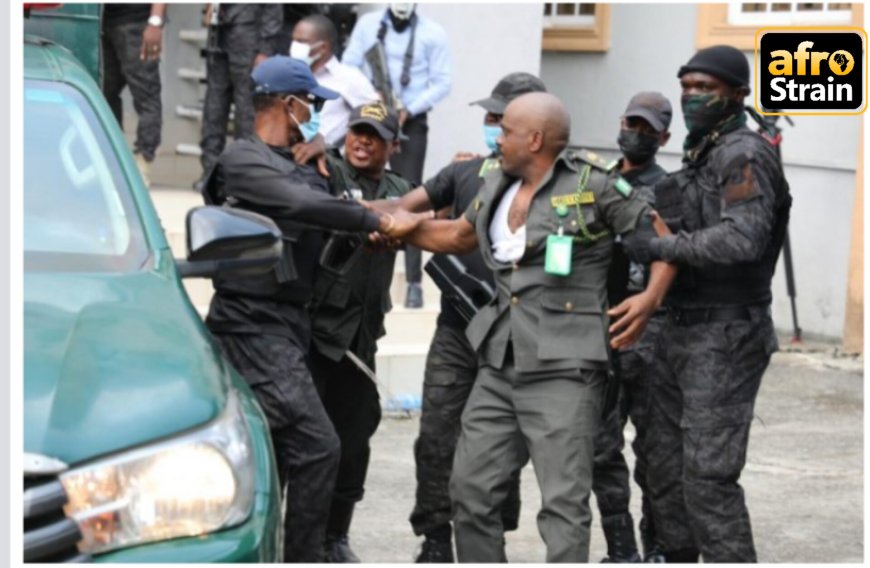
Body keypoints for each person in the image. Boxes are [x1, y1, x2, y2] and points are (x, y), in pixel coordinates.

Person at [378, 92, 677, 562]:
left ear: (535, 139)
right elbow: (457, 235)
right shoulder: (495, 183)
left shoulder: (593, 184)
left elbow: (661, 239)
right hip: (499, 361)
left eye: (508, 130)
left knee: (562, 504)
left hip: (565, 369)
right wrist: (403, 226)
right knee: (470, 489)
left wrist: (650, 298)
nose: (498, 137)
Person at [200, 56, 425, 562]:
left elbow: (330, 221)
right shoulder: (243, 159)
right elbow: (301, 207)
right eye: (313, 105)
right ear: (288, 102)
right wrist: (372, 218)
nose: (316, 115)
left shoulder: (306, 165)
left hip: (291, 323)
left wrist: (366, 229)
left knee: (279, 452)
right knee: (319, 447)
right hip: (249, 322)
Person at [378, 72, 548, 563]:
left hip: (513, 336)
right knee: (436, 437)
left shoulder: (554, 182)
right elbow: (402, 207)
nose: (492, 126)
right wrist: (361, 215)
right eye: (489, 117)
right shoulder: (464, 173)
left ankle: (488, 539)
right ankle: (434, 540)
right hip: (456, 330)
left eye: (501, 118)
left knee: (499, 447)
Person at [644, 45, 792, 563]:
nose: (691, 97)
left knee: (708, 479)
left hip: (727, 334)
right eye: (686, 87)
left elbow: (742, 239)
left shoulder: (742, 153)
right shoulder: (703, 148)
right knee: (661, 469)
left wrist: (663, 247)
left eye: (704, 89)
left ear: (737, 94)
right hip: (680, 328)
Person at [307, 102, 410, 562]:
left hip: (363, 337)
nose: (362, 141)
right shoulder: (328, 172)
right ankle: (300, 536)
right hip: (318, 332)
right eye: (357, 132)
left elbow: (418, 214)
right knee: (307, 438)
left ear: (393, 145)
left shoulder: (402, 190)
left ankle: (336, 537)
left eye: (374, 135)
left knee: (354, 438)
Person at [591, 91, 672, 563]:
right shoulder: (596, 182)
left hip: (655, 334)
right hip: (603, 328)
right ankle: (621, 551)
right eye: (631, 124)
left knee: (656, 452)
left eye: (647, 129)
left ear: (664, 137)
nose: (636, 135)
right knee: (601, 447)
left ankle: (657, 548)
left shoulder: (673, 188)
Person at [342, 3, 452, 308]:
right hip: (373, 111)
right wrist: (370, 93)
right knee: (355, 184)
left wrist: (409, 108)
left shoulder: (433, 33)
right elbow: (348, 65)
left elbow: (443, 82)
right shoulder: (368, 25)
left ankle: (414, 283)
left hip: (411, 119)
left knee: (413, 195)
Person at [196, 4, 283, 190]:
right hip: (219, 31)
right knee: (214, 105)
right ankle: (210, 173)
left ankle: (243, 174)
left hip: (249, 33)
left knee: (246, 110)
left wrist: (265, 49)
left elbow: (273, 9)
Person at [101, 3, 167, 188]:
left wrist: (154, 22)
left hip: (137, 22)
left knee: (146, 96)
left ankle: (143, 164)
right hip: (105, 23)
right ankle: (115, 158)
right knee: (104, 94)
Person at [290, 14, 380, 147]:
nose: (294, 47)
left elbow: (376, 116)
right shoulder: (292, 75)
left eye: (302, 42)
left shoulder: (348, 78)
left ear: (323, 48)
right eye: (294, 41)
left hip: (330, 159)